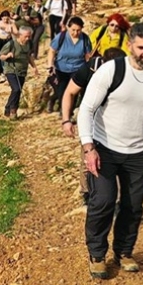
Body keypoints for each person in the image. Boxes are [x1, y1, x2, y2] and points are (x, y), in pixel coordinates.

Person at [77, 22, 143, 279]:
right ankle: (97, 254)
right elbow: (87, 109)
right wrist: (88, 147)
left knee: (133, 205)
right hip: (104, 147)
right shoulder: (110, 71)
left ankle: (124, 251)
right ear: (129, 46)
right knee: (103, 200)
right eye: (141, 48)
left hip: (139, 152)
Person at [61, 47, 127, 206]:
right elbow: (70, 92)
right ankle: (87, 191)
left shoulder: (128, 72)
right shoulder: (90, 68)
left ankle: (117, 198)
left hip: (116, 119)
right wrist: (66, 120)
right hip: (90, 116)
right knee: (88, 154)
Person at [46, 16, 93, 115]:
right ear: (68, 27)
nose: (76, 33)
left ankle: (68, 112)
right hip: (61, 69)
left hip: (78, 69)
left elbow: (88, 56)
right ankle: (59, 106)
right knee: (62, 91)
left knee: (74, 92)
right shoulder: (61, 37)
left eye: (78, 30)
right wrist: (50, 66)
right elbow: (52, 51)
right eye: (73, 30)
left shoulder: (85, 39)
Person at [0, 25, 39, 119]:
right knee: (16, 89)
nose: (28, 38)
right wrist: (7, 56)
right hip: (11, 70)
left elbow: (29, 56)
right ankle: (13, 110)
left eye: (29, 36)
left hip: (22, 71)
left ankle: (8, 108)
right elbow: (1, 56)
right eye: (26, 36)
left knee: (18, 91)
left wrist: (34, 67)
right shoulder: (11, 44)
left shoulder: (28, 44)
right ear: (20, 35)